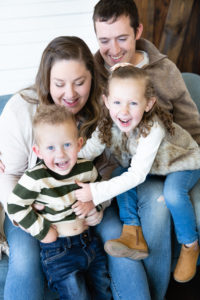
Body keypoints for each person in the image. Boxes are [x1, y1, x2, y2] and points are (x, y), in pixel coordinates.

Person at [89, 0, 200, 299]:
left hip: (168, 162)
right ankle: (132, 236)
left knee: (162, 202)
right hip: (127, 166)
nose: (113, 49)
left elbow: (191, 122)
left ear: (137, 31)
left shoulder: (164, 70)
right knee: (133, 187)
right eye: (104, 40)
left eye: (122, 38)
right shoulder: (93, 71)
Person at [0, 36, 105, 300]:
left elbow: (106, 173)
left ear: (92, 79)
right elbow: (8, 174)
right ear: (46, 80)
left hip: (78, 209)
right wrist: (35, 220)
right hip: (30, 208)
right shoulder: (21, 109)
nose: (70, 94)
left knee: (114, 238)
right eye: (59, 84)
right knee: (25, 258)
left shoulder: (103, 110)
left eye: (79, 83)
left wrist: (97, 204)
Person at [75, 64, 200, 284]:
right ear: (106, 101)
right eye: (117, 102)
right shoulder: (108, 123)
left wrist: (95, 191)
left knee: (172, 194)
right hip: (155, 167)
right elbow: (91, 149)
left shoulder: (153, 127)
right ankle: (132, 232)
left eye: (133, 103)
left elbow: (137, 175)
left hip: (184, 162)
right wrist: (67, 159)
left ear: (148, 104)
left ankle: (190, 245)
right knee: (118, 174)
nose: (123, 111)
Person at [6, 104, 112, 300]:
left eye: (67, 145)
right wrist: (43, 231)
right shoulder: (36, 177)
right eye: (51, 148)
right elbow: (14, 205)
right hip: (58, 251)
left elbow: (98, 191)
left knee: (103, 291)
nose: (60, 154)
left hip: (89, 243)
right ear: (38, 151)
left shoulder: (86, 168)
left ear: (79, 144)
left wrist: (94, 207)